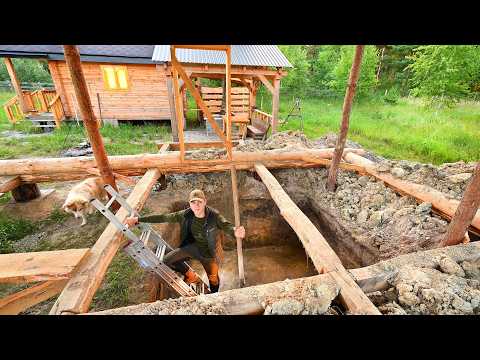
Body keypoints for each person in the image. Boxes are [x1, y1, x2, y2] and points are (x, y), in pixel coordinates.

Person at [124, 189, 245, 293]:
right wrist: (137, 219)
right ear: (190, 204)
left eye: (200, 202)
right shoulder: (185, 214)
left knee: (214, 279)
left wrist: (235, 231)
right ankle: (190, 275)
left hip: (207, 252)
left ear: (205, 202)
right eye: (193, 202)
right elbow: (163, 217)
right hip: (190, 248)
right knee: (166, 261)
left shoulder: (214, 216)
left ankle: (214, 296)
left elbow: (226, 225)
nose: (196, 205)